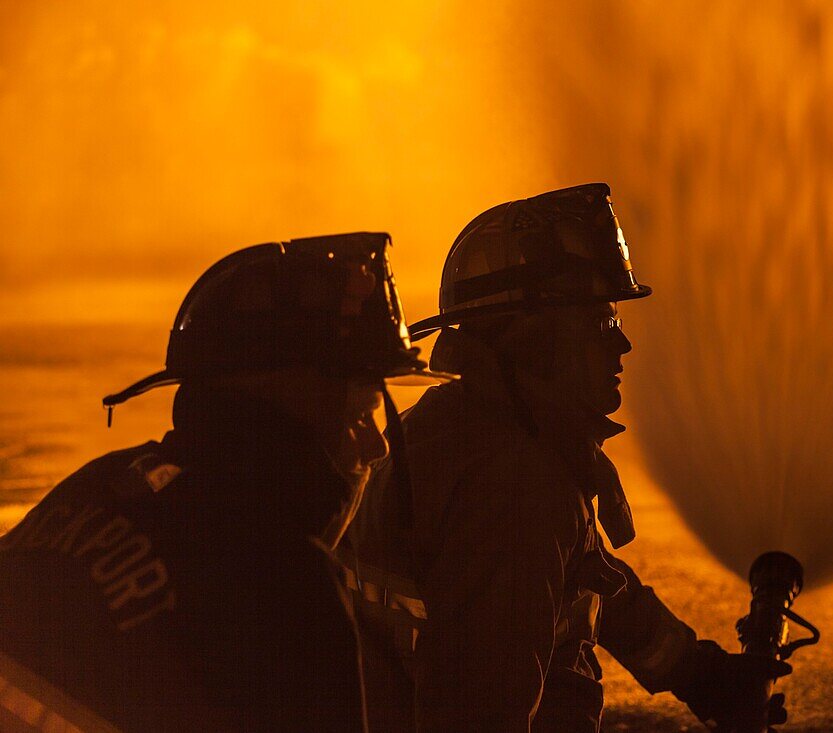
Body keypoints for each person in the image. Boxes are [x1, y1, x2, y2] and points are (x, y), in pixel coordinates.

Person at [339, 184, 790, 732]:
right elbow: (485, 714)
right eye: (601, 324)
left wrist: (702, 675)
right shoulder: (515, 486)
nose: (621, 346)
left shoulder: (461, 428)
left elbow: (588, 582)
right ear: (531, 337)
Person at [0, 232, 447, 732]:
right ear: (291, 419)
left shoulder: (97, 487)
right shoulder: (284, 589)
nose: (378, 446)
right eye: (361, 414)